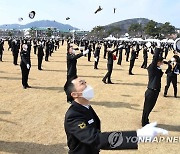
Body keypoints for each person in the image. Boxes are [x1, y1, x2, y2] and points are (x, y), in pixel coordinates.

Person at [64, 76, 168, 154]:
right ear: (74, 94)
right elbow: (95, 138)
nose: (87, 85)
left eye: (85, 82)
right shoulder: (73, 116)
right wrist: (137, 135)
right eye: (82, 84)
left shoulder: (85, 106)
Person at [141, 41, 164, 127]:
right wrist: (158, 48)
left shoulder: (157, 68)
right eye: (161, 62)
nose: (162, 63)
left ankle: (146, 120)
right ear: (158, 62)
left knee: (150, 107)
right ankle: (144, 122)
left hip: (155, 91)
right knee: (147, 108)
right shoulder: (152, 67)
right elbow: (155, 59)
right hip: (151, 90)